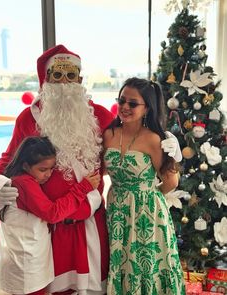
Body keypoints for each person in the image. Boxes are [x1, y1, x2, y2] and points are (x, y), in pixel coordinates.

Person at [0, 45, 182, 295]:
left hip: (92, 222)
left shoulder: (101, 117)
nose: (64, 83)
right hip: (51, 227)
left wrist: (169, 148)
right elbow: (7, 162)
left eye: (71, 76)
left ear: (80, 80)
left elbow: (127, 148)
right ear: (46, 80)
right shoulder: (29, 118)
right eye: (57, 76)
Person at [103, 77, 185, 294]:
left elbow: (171, 181)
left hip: (148, 213)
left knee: (147, 266)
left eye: (132, 103)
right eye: (122, 101)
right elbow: (100, 170)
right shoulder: (109, 134)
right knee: (122, 263)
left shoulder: (154, 139)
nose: (124, 107)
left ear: (147, 108)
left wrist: (145, 196)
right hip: (116, 210)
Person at [0, 136, 101, 295]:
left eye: (52, 169)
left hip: (25, 260)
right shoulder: (24, 183)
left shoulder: (21, 179)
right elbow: (53, 214)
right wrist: (83, 188)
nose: (48, 175)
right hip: (26, 264)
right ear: (25, 165)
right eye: (43, 169)